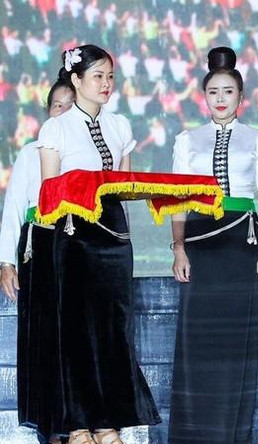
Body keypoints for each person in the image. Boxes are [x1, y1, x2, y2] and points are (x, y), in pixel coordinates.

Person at [37, 44, 160, 444]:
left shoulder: (121, 124)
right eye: (97, 77)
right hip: (73, 234)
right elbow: (48, 194)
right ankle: (77, 425)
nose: (106, 84)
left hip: (114, 235)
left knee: (112, 329)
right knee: (75, 330)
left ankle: (108, 422)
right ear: (76, 81)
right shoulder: (56, 128)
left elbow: (122, 187)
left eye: (110, 77)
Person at [169, 46, 258, 444]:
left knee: (237, 342)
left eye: (228, 92)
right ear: (204, 96)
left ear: (241, 98)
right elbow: (178, 199)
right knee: (198, 341)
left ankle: (232, 435)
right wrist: (178, 247)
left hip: (241, 244)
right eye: (213, 91)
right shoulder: (187, 140)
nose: (220, 99)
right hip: (200, 242)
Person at [0, 76, 74, 444]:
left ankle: (80, 424)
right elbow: (14, 207)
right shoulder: (31, 153)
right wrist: (6, 262)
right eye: (57, 106)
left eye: (70, 107)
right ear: (48, 111)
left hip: (79, 246)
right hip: (40, 246)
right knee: (45, 337)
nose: (63, 114)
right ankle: (50, 426)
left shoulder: (85, 151)